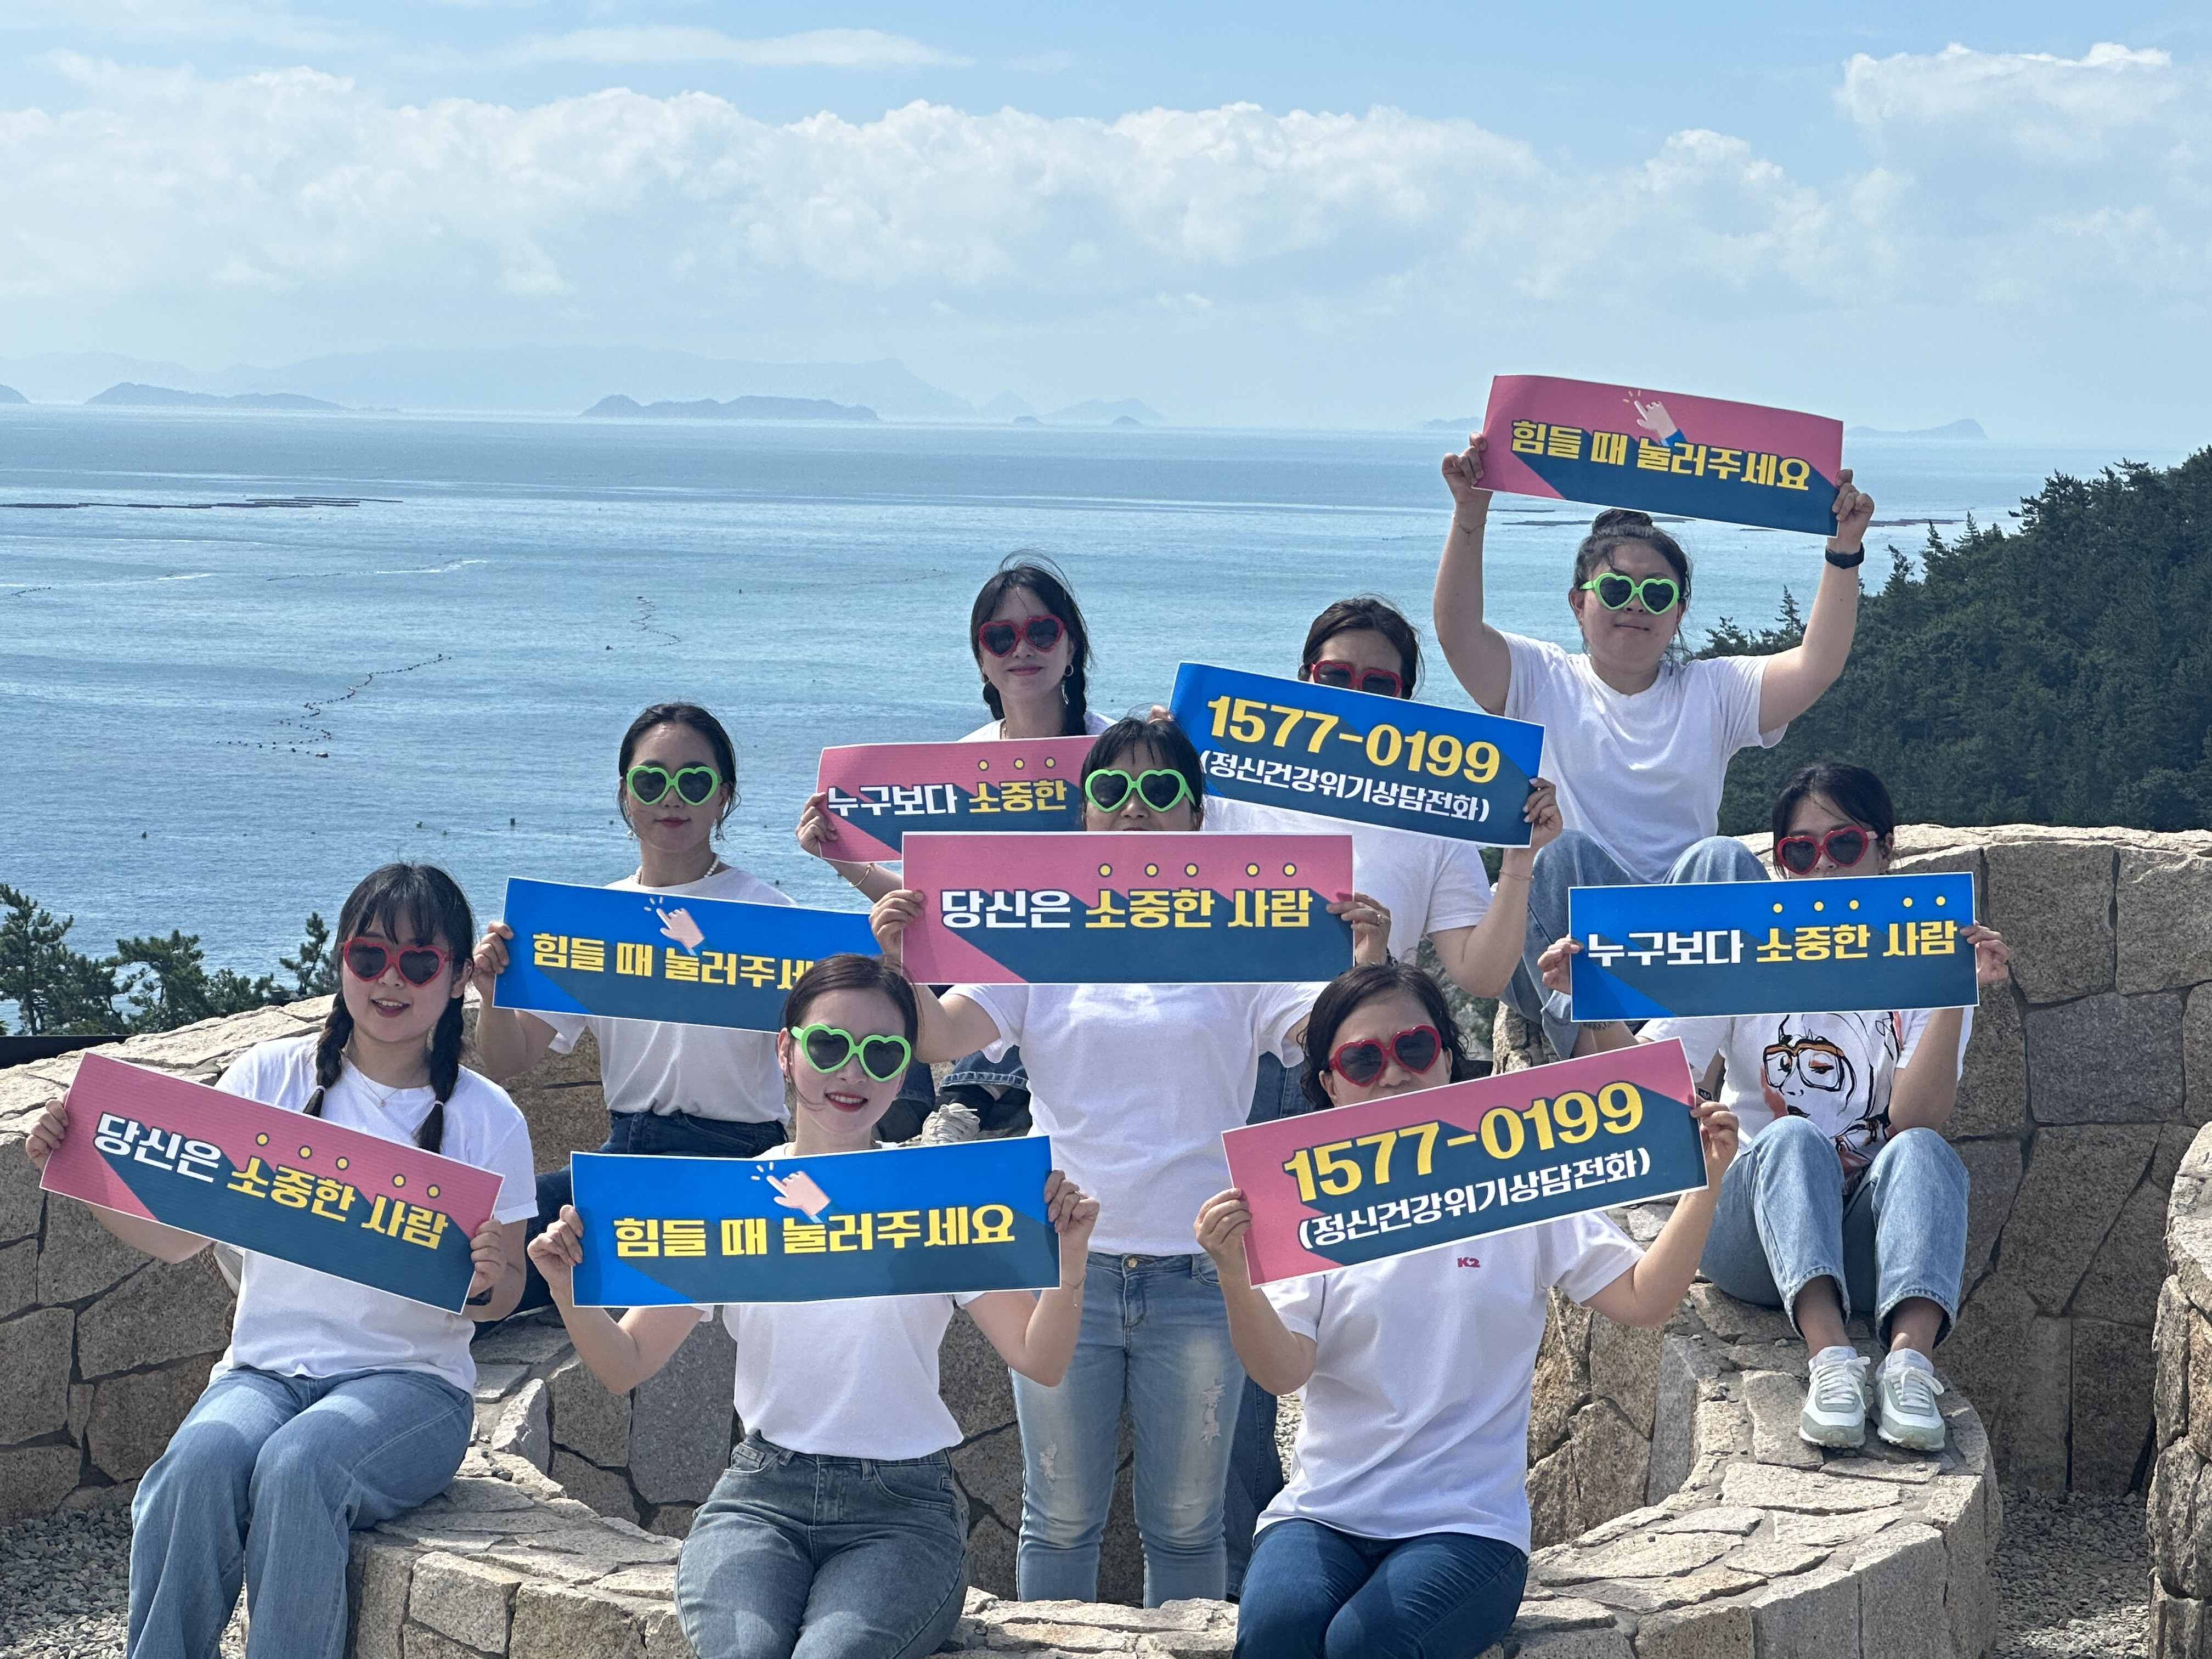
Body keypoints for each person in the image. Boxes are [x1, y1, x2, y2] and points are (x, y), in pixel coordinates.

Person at [869, 714, 1393, 1606]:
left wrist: (1364, 965)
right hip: (1066, 1268)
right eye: (1111, 791)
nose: (1134, 808)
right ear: (1083, 815)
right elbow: (936, 1032)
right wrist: (898, 956)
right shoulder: (1038, 937)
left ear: (1197, 816)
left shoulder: (1245, 937)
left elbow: (1323, 1044)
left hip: (1203, 1271)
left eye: (1160, 791)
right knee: (1059, 1517)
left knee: (1187, 1524)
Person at [24, 864, 536, 1659]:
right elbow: (178, 1237)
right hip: (262, 1372)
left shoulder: (487, 1116)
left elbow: (501, 1298)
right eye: (369, 958)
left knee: (301, 1470)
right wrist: (84, 1170)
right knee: (194, 1468)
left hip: (415, 1389)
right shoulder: (269, 1077)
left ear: (459, 973)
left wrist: (489, 1272)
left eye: (418, 962)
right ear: (339, 963)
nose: (390, 981)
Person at [524, 953, 1099, 1659]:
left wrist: (1069, 1263)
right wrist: (563, 1287)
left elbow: (1039, 1359)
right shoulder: (732, 1202)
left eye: (883, 1053)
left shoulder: (935, 1194)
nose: (853, 1072)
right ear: (786, 1052)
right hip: (762, 1497)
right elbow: (627, 1362)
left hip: (904, 1511)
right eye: (829, 1045)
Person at [1194, 959, 1738, 1659]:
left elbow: (1643, 1298)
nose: (1393, 1072)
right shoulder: (1308, 1200)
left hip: (1467, 1526)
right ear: (1328, 1085)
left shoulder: (1519, 1175)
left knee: (1370, 1645)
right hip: (1324, 1515)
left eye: (1414, 1048)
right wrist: (1236, 1279)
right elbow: (1282, 1370)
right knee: (1275, 1633)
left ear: (1448, 1057)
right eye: (1362, 1060)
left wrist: (1707, 1183)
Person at [1187, 594, 1565, 1590]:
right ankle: (1252, 1569)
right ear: (1301, 680)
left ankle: (1392, 1542)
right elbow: (1131, 865)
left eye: (1379, 682)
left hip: (1365, 1088)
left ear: (1407, 698)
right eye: (1334, 677)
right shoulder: (1229, 782)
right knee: (1228, 1337)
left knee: (1381, 1323)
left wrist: (1518, 862)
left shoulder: (1430, 818)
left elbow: (1479, 974)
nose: (1355, 696)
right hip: (1241, 1081)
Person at [1539, 761, 2009, 1452]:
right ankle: (1830, 1362)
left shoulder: (1929, 957)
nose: (1823, 866)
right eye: (1799, 851)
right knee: (1792, 1140)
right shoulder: (1746, 952)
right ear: (1783, 865)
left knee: (1925, 1152)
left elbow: (1916, 1119)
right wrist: (1595, 999)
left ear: (1885, 849)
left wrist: (1951, 993)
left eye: (1843, 845)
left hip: (1865, 1236)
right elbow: (1650, 1093)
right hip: (1749, 1227)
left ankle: (1910, 1366)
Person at [1431, 432, 1877, 1062]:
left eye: (1657, 593)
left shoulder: (1711, 691)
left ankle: (1676, 1063)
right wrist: (1470, 511)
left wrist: (1843, 551)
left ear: (1678, 612)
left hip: (1682, 947)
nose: (1635, 606)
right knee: (1564, 856)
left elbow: (1816, 666)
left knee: (1722, 861)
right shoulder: (1540, 678)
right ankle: (1600, 1048)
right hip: (1565, 955)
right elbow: (1455, 630)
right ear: (1579, 603)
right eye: (1616, 590)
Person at [472, 702, 793, 1316]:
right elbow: (510, 1057)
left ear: (723, 798)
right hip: (625, 1155)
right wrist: (491, 995)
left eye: (694, 780)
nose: (672, 797)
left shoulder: (769, 915)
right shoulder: (593, 922)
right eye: (652, 780)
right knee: (484, 1246)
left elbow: (818, 1053)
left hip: (734, 1160)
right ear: (626, 794)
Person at [795, 555, 1109, 1141]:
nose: (1023, 649)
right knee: (873, 972)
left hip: (1091, 968)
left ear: (1072, 649)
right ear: (981, 659)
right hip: (990, 971)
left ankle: (975, 1094)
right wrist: (843, 861)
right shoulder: (964, 766)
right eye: (1001, 636)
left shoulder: (1116, 756)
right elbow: (938, 908)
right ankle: (916, 1107)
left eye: (1043, 632)